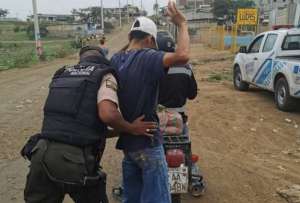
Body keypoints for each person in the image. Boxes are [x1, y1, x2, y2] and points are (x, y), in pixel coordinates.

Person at [24, 46, 157, 203]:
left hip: (41, 154)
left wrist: (122, 131)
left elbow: (82, 128)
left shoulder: (62, 74)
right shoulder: (104, 74)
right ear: (102, 58)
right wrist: (131, 127)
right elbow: (107, 114)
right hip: (74, 161)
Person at [110, 1, 190, 203]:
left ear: (130, 37)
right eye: (154, 45)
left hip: (129, 145)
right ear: (148, 39)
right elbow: (182, 55)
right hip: (148, 144)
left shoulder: (116, 60)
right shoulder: (148, 56)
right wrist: (182, 24)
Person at [157, 35, 198, 135]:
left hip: (158, 121)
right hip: (180, 120)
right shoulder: (186, 68)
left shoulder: (152, 68)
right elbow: (192, 95)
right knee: (185, 144)